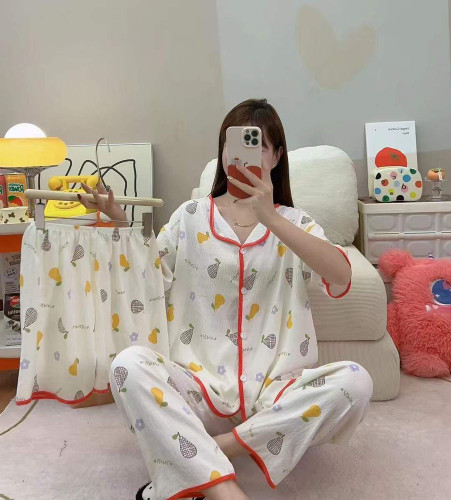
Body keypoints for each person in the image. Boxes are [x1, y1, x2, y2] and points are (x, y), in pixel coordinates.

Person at [78, 98, 373, 500]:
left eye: (259, 145)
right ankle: (226, 490)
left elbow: (340, 276)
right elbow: (148, 279)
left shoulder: (296, 223)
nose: (243, 156)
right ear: (222, 153)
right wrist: (118, 220)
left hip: (275, 396)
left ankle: (210, 452)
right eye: (232, 145)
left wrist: (271, 218)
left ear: (276, 156)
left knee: (356, 383)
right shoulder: (189, 216)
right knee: (127, 365)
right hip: (197, 392)